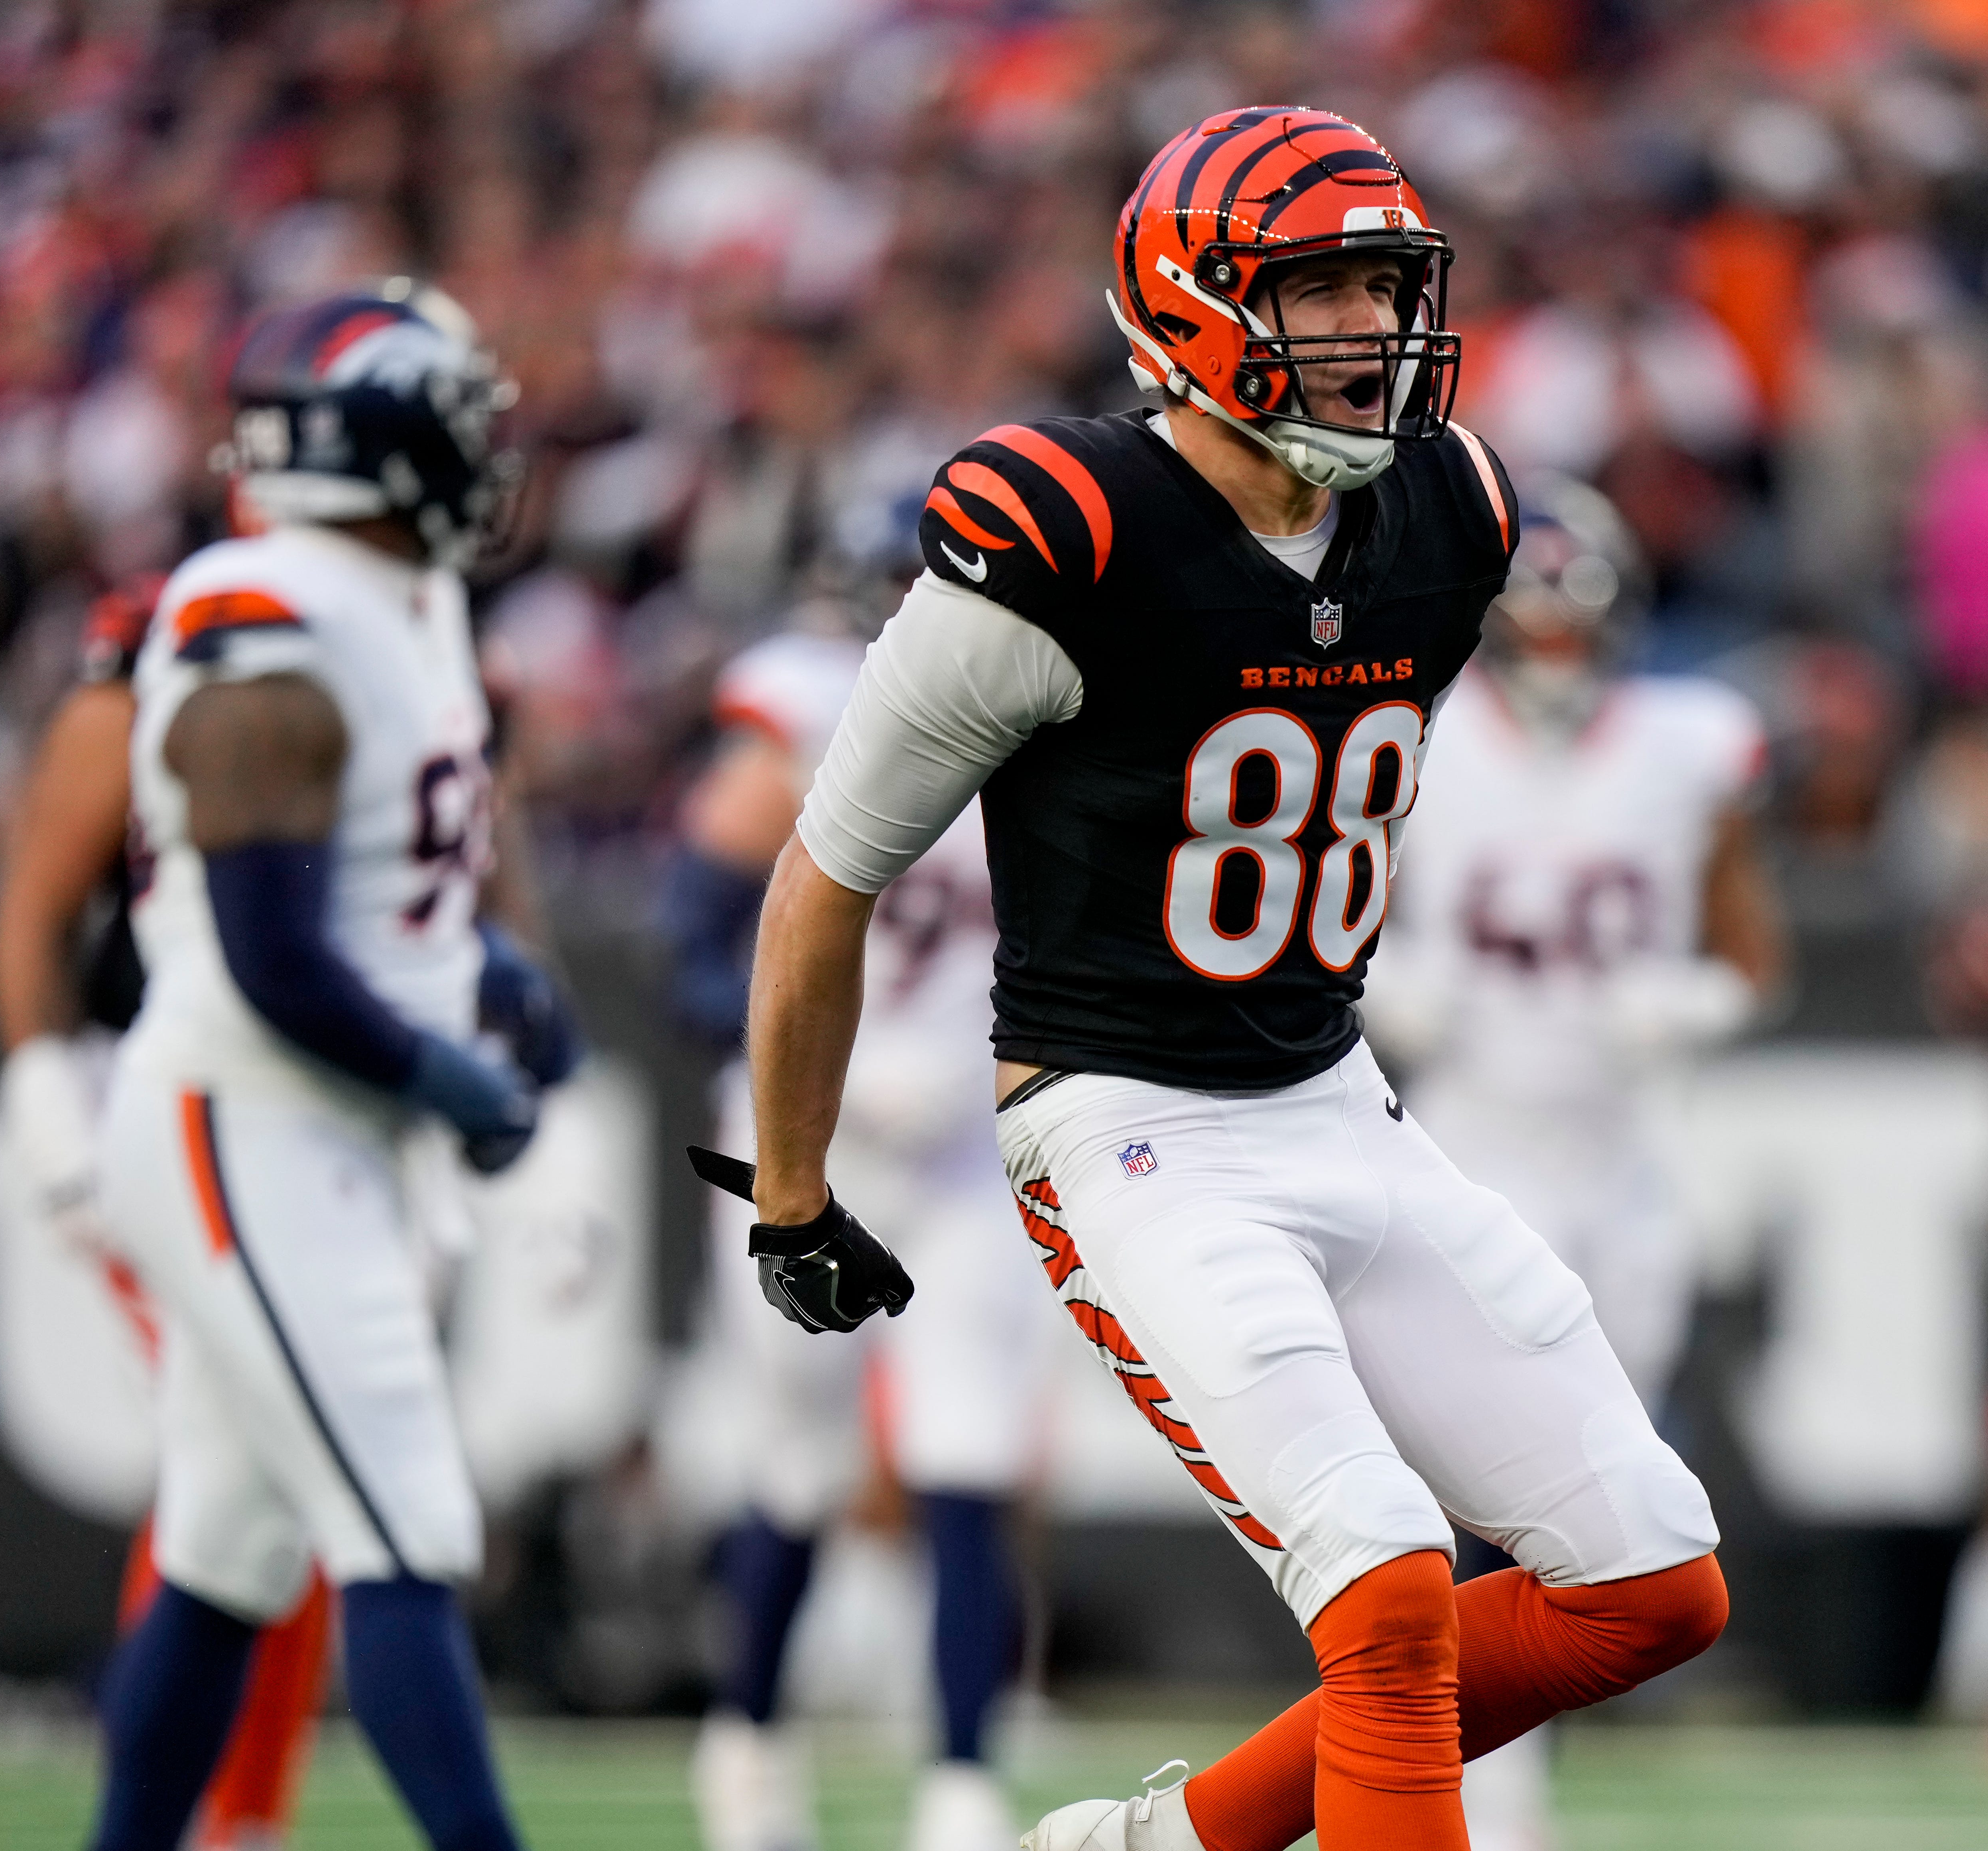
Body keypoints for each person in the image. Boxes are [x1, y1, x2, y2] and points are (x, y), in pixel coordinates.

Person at [725, 108, 1727, 1851]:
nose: (1371, 332)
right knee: (1392, 1595)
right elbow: (826, 879)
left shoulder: (1452, 509)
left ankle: (1162, 1845)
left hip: (1341, 1100)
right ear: (1192, 308)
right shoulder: (1066, 532)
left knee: (1651, 1585)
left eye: (1384, 287)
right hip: (1128, 1129)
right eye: (1322, 291)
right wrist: (793, 1196)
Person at [83, 283, 576, 1851]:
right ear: (368, 448)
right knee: (409, 1525)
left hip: (334, 1124)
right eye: (452, 424)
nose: (479, 458)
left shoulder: (408, 591)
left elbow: (385, 883)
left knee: (228, 1553)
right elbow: (269, 957)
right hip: (249, 1115)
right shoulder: (261, 614)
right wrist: (448, 1073)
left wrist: (492, 976)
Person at [1364, 474, 1783, 1847]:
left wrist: (1700, 997)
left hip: (1623, 1163)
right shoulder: (1414, 734)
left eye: (1572, 629)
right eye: (1528, 629)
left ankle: (1501, 1749)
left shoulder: (1686, 744)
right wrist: (1380, 977)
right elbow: (1320, 910)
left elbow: (1751, 951)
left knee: (1601, 1490)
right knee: (1482, 1474)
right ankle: (1491, 1780)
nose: (1551, 659)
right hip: (1469, 1148)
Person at [664, 603, 1053, 1851]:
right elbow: (693, 944)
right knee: (797, 1452)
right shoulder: (802, 701)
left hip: (960, 1156)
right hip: (801, 1142)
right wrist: (827, 1050)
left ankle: (960, 1780)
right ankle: (747, 1740)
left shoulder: (1060, 692)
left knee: (968, 1453)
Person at [0, 577, 334, 1851]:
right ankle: (195, 1815)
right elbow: (31, 910)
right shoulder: (150, 659)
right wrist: (45, 1108)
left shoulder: (366, 638)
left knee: (283, 1490)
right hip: (162, 1104)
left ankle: (236, 1817)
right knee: (240, 1474)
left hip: (293, 1119)